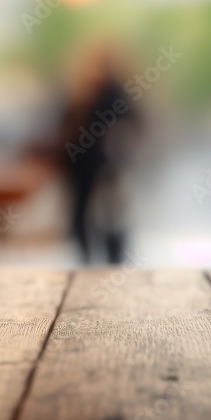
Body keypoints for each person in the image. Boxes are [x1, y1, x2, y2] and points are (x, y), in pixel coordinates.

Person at [57, 45, 139, 264]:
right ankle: (90, 264)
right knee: (83, 216)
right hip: (82, 165)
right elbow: (65, 127)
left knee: (110, 218)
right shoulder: (80, 95)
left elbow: (132, 124)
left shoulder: (113, 93)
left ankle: (109, 264)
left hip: (106, 166)